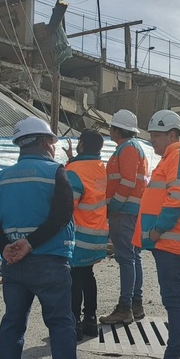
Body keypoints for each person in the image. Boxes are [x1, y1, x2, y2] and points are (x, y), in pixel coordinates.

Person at [0, 117, 84, 359]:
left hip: (14, 266)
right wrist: (31, 243)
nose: (53, 146)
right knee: (61, 326)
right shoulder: (55, 172)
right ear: (43, 141)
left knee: (13, 326)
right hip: (51, 262)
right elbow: (62, 214)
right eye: (52, 141)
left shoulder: (1, 179)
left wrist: (6, 246)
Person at [134, 110, 180, 359]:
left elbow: (177, 198)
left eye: (158, 136)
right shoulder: (173, 158)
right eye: (151, 136)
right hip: (168, 241)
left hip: (170, 240)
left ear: (173, 134)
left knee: (174, 300)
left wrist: (158, 230)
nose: (153, 141)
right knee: (179, 298)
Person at [100, 109, 149, 324]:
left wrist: (114, 207)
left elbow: (127, 182)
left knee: (126, 258)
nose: (109, 131)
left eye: (111, 127)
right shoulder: (132, 148)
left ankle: (125, 307)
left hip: (125, 211)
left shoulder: (127, 149)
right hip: (132, 211)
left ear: (118, 130)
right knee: (133, 257)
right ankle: (135, 305)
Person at [65, 129, 109, 341]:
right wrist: (73, 160)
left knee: (74, 278)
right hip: (98, 234)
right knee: (88, 276)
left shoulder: (74, 170)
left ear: (81, 144)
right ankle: (90, 319)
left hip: (78, 236)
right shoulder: (101, 167)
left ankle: (74, 324)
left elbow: (67, 205)